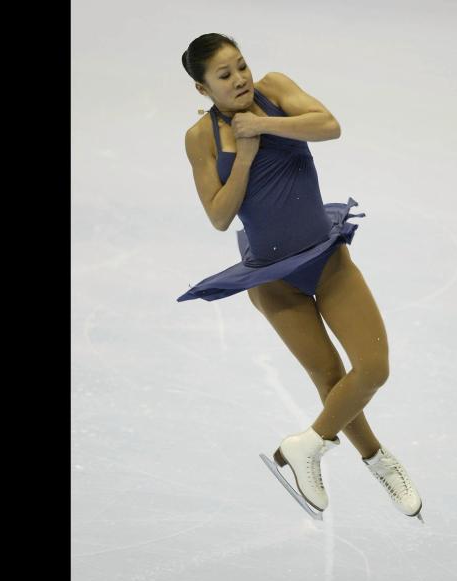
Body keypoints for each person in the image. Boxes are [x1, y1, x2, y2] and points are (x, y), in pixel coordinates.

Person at [178, 33, 423, 522]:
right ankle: (376, 459)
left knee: (373, 368)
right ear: (204, 90)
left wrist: (263, 124)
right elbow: (219, 216)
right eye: (224, 76)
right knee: (329, 376)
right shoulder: (200, 138)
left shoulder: (275, 89)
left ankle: (305, 446)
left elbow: (329, 126)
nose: (240, 78)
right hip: (272, 278)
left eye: (241, 66)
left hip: (325, 259)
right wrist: (244, 157)